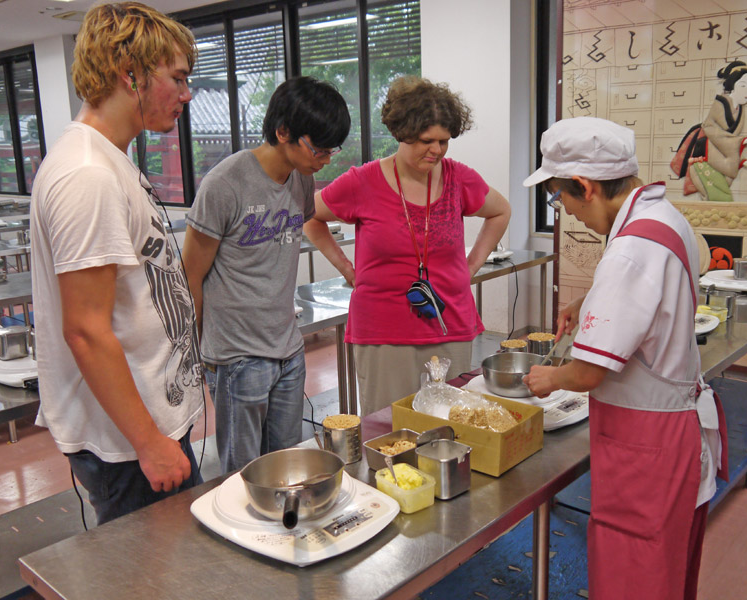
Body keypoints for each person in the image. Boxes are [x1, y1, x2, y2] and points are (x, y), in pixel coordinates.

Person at [522, 117, 728, 600]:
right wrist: (590, 301)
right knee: (665, 562)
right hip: (671, 429)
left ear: (587, 187)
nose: (566, 212)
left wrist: (550, 377)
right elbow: (646, 298)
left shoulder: (629, 251)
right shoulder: (660, 216)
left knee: (635, 566)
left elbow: (589, 371)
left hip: (646, 444)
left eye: (561, 198)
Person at [29, 2, 203, 525]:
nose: (186, 94)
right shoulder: (88, 174)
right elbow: (84, 329)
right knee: (154, 579)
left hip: (148, 423)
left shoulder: (110, 159)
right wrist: (148, 442)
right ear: (131, 75)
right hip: (128, 443)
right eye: (177, 78)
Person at [303, 75, 511, 416]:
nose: (437, 151)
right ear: (402, 133)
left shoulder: (459, 178)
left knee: (449, 426)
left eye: (444, 141)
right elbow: (311, 215)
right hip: (382, 330)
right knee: (390, 430)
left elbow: (501, 211)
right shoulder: (362, 182)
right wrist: (346, 268)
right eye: (427, 141)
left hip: (449, 324)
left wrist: (469, 267)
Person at [182, 77, 350, 473]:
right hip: (238, 355)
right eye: (318, 148)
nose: (325, 159)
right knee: (244, 473)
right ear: (282, 132)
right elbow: (191, 278)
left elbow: (305, 227)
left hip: (288, 349)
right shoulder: (225, 184)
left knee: (285, 466)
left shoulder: (301, 178)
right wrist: (201, 358)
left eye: (332, 149)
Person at [671, 60, 747, 202]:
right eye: (743, 85)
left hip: (718, 160)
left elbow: (727, 145)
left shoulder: (739, 109)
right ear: (732, 86)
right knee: (720, 198)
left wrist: (745, 163)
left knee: (718, 199)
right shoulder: (720, 104)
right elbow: (717, 136)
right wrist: (746, 141)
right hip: (704, 158)